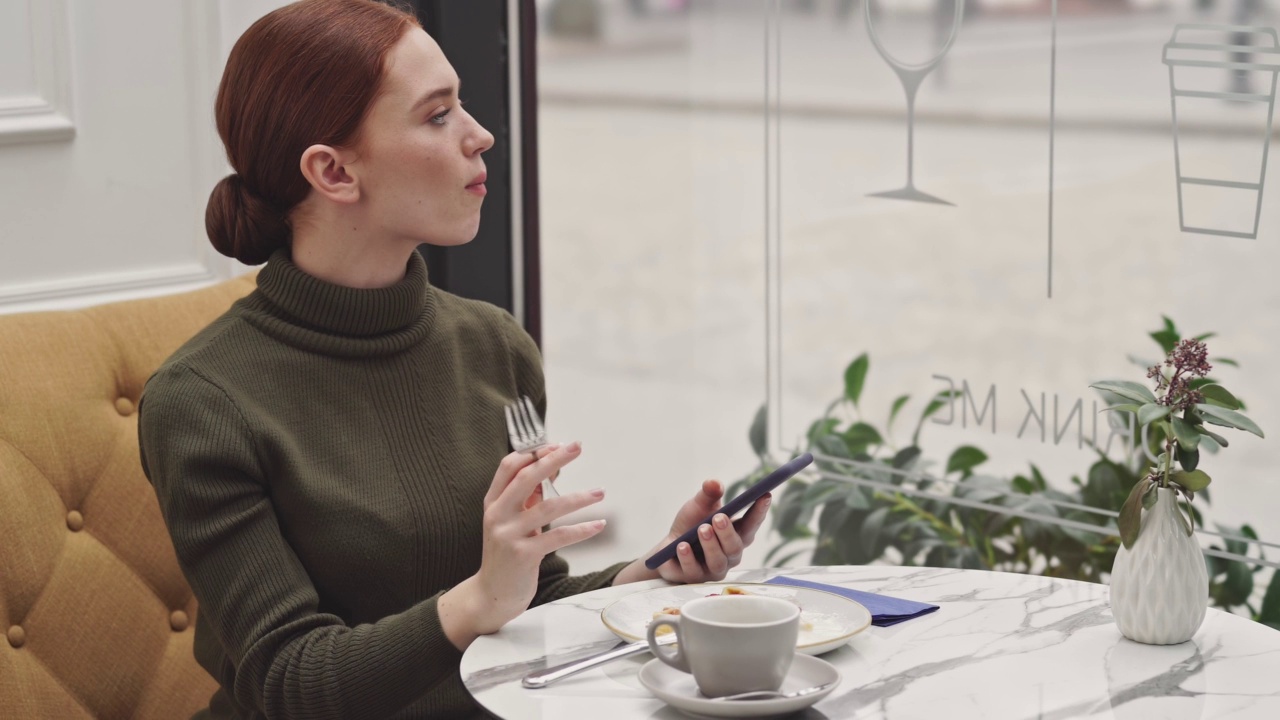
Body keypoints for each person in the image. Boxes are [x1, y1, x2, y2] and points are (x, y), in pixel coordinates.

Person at [136, 1, 771, 718]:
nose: (482, 135)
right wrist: (477, 599)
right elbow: (288, 682)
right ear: (334, 171)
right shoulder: (202, 403)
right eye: (438, 116)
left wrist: (653, 570)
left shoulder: (495, 346)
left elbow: (529, 599)